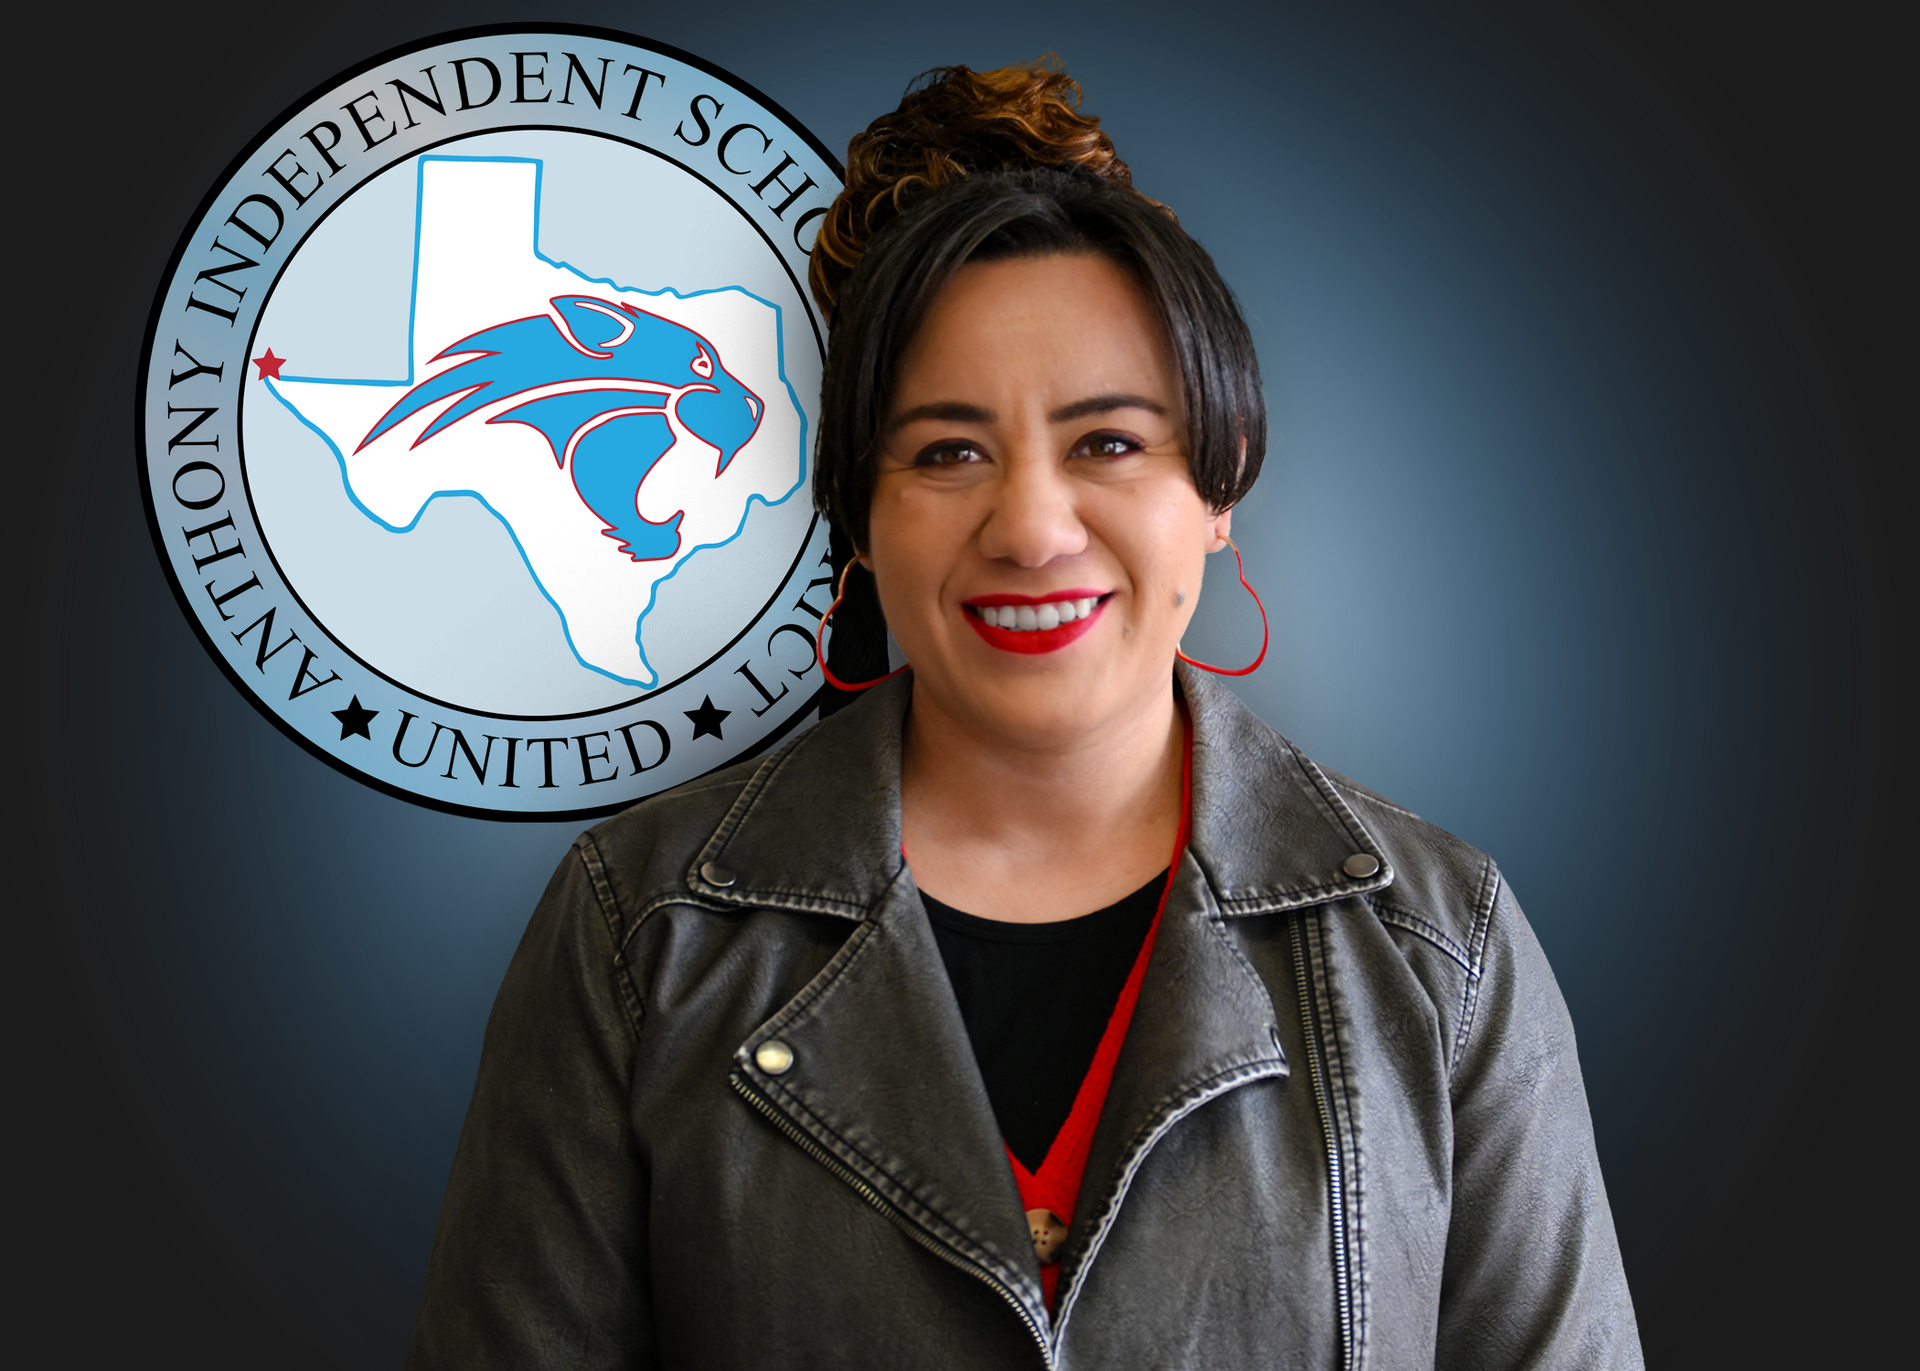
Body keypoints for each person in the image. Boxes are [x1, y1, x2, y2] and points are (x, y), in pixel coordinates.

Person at [410, 61, 1643, 1370]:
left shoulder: (1438, 948)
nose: (1034, 528)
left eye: (1108, 442)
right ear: (862, 523)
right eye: (947, 451)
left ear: (1220, 484)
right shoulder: (635, 930)